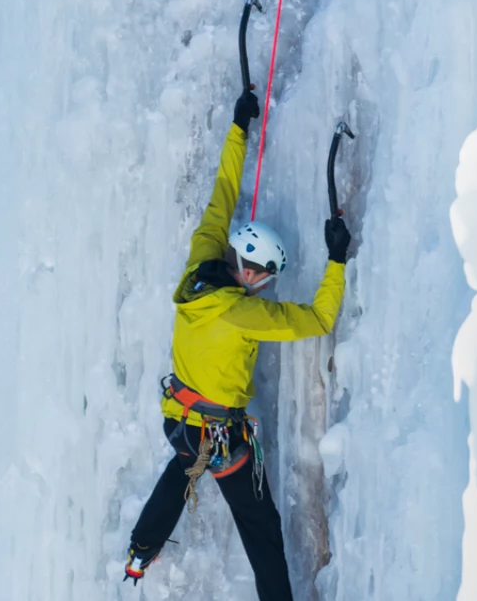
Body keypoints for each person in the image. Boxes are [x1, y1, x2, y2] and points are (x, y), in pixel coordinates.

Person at [123, 89, 351, 601]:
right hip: (219, 438)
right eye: (266, 278)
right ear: (249, 270)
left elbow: (223, 192)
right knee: (261, 530)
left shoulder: (198, 265)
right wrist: (337, 260)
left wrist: (238, 127)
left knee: (181, 473)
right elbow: (316, 318)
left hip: (180, 419)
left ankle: (140, 551)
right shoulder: (244, 313)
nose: (266, 287)